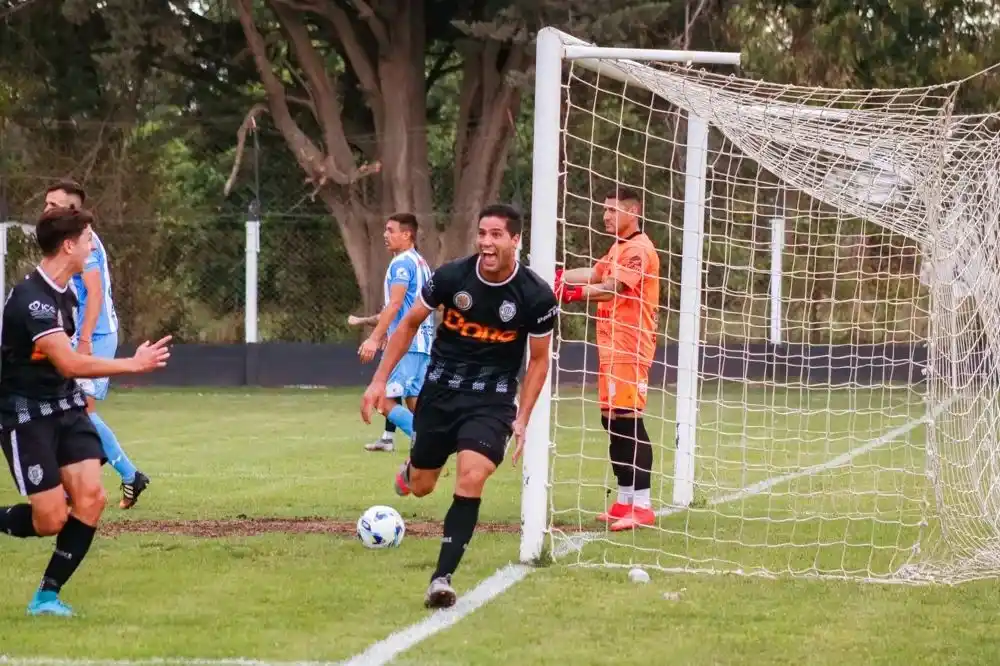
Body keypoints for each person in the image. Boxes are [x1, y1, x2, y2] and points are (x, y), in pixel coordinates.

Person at [361, 203, 558, 609]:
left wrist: (522, 418)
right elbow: (410, 323)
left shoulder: (536, 296)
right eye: (482, 233)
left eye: (496, 234)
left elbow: (538, 361)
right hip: (441, 392)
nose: (486, 242)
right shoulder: (451, 276)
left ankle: (441, 578)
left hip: (493, 398)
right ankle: (411, 471)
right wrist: (379, 380)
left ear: (515, 240)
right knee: (423, 486)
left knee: (472, 476)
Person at [0, 206, 170, 616]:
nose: (94, 245)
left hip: (66, 406)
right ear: (69, 245)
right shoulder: (32, 300)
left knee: (91, 498)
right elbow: (70, 363)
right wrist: (133, 364)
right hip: (26, 415)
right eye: (90, 238)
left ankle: (46, 596)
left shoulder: (68, 293)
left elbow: (67, 366)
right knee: (51, 519)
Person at [555, 188, 660, 531]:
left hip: (630, 348)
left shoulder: (639, 250)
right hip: (610, 348)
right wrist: (558, 276)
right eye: (605, 211)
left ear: (634, 211)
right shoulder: (618, 248)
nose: (606, 216)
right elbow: (595, 273)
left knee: (629, 423)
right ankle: (624, 500)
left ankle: (642, 506)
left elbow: (613, 287)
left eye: (613, 211)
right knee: (611, 422)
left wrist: (574, 294)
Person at [42, 181, 150, 509]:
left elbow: (95, 294)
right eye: (46, 204)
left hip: (97, 336)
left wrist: (85, 340)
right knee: (69, 409)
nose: (47, 209)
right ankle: (125, 476)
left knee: (80, 411)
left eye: (54, 205)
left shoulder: (85, 242)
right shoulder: (63, 238)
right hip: (78, 335)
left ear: (73, 212)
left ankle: (115, 477)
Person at [355, 213, 436, 452]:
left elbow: (395, 304)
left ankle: (427, 441)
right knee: (414, 401)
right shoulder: (421, 263)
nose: (385, 235)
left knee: (382, 398)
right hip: (422, 344)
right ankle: (411, 438)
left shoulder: (401, 263)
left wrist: (374, 337)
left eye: (391, 230)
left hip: (407, 345)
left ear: (407, 234)